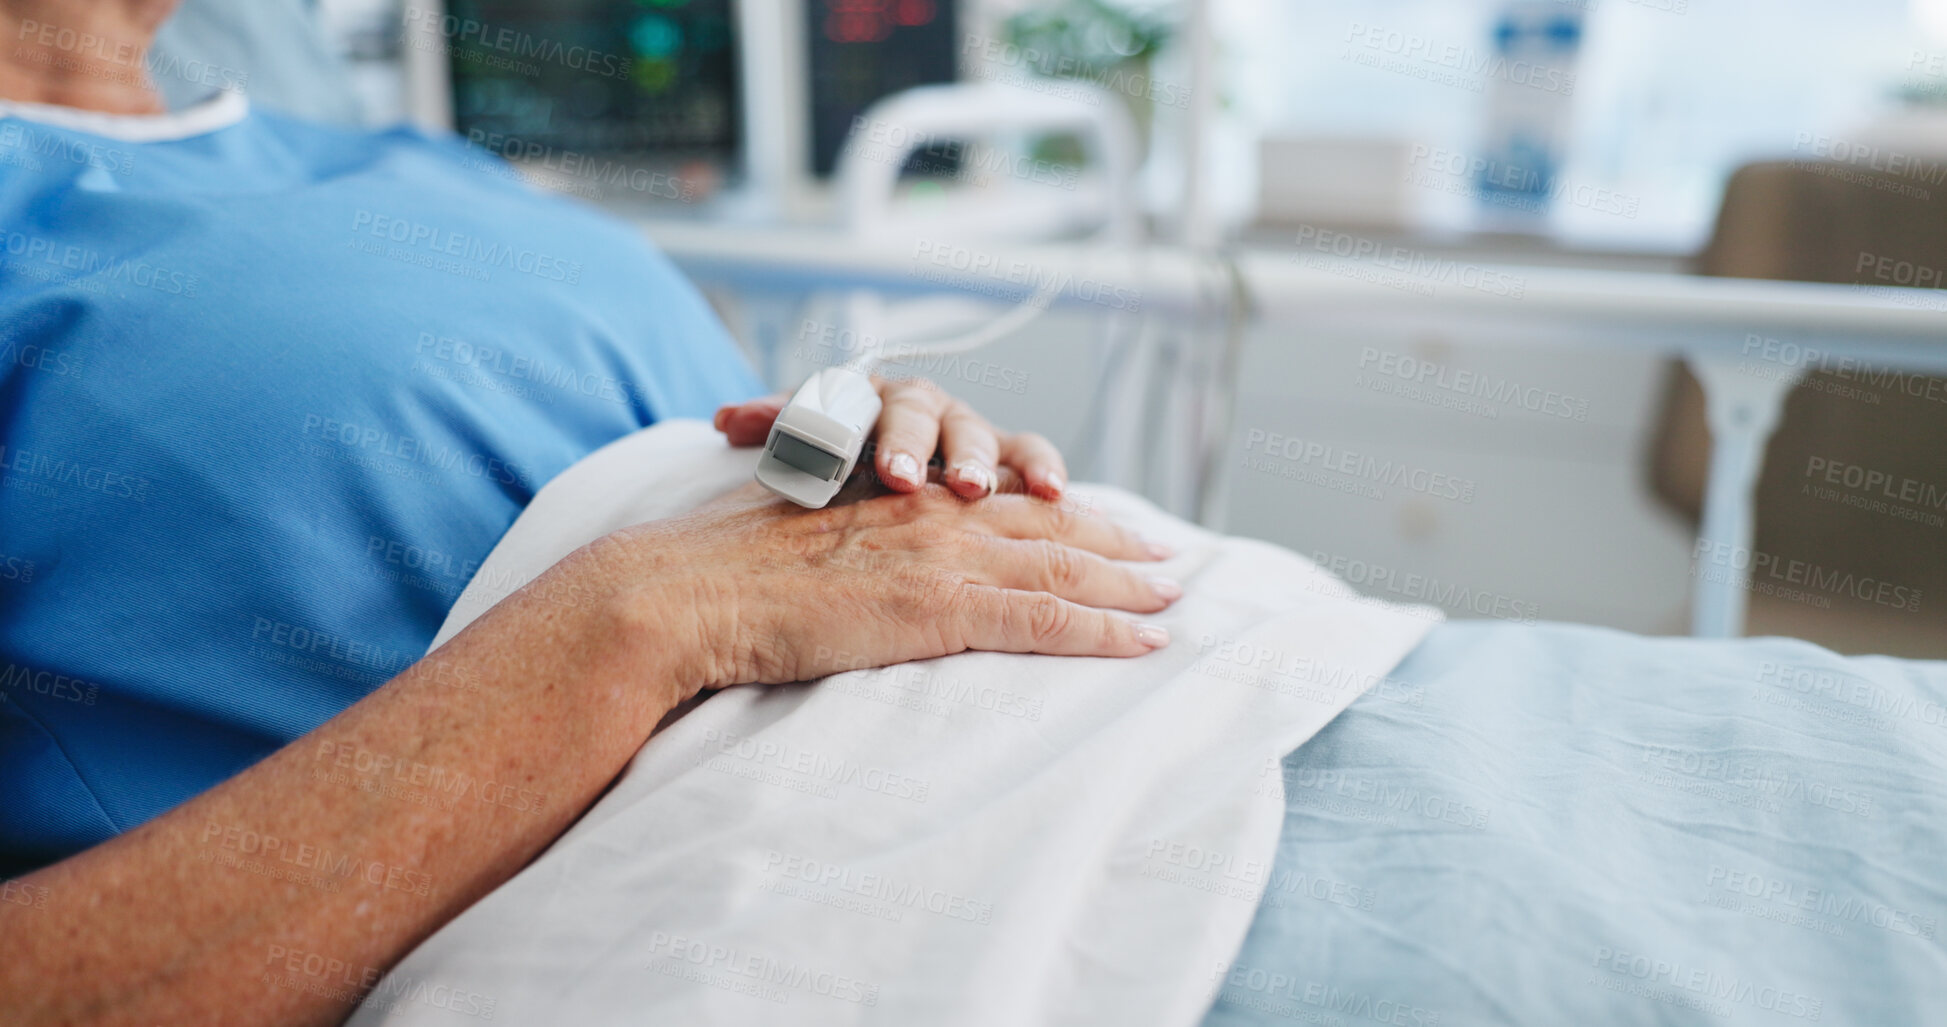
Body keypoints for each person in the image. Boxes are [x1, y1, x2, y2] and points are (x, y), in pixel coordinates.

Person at [0, 2, 1178, 1022]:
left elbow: (741, 485)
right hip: (866, 893)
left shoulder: (420, 167)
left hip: (1155, 682)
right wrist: (654, 617)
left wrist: (893, 456)